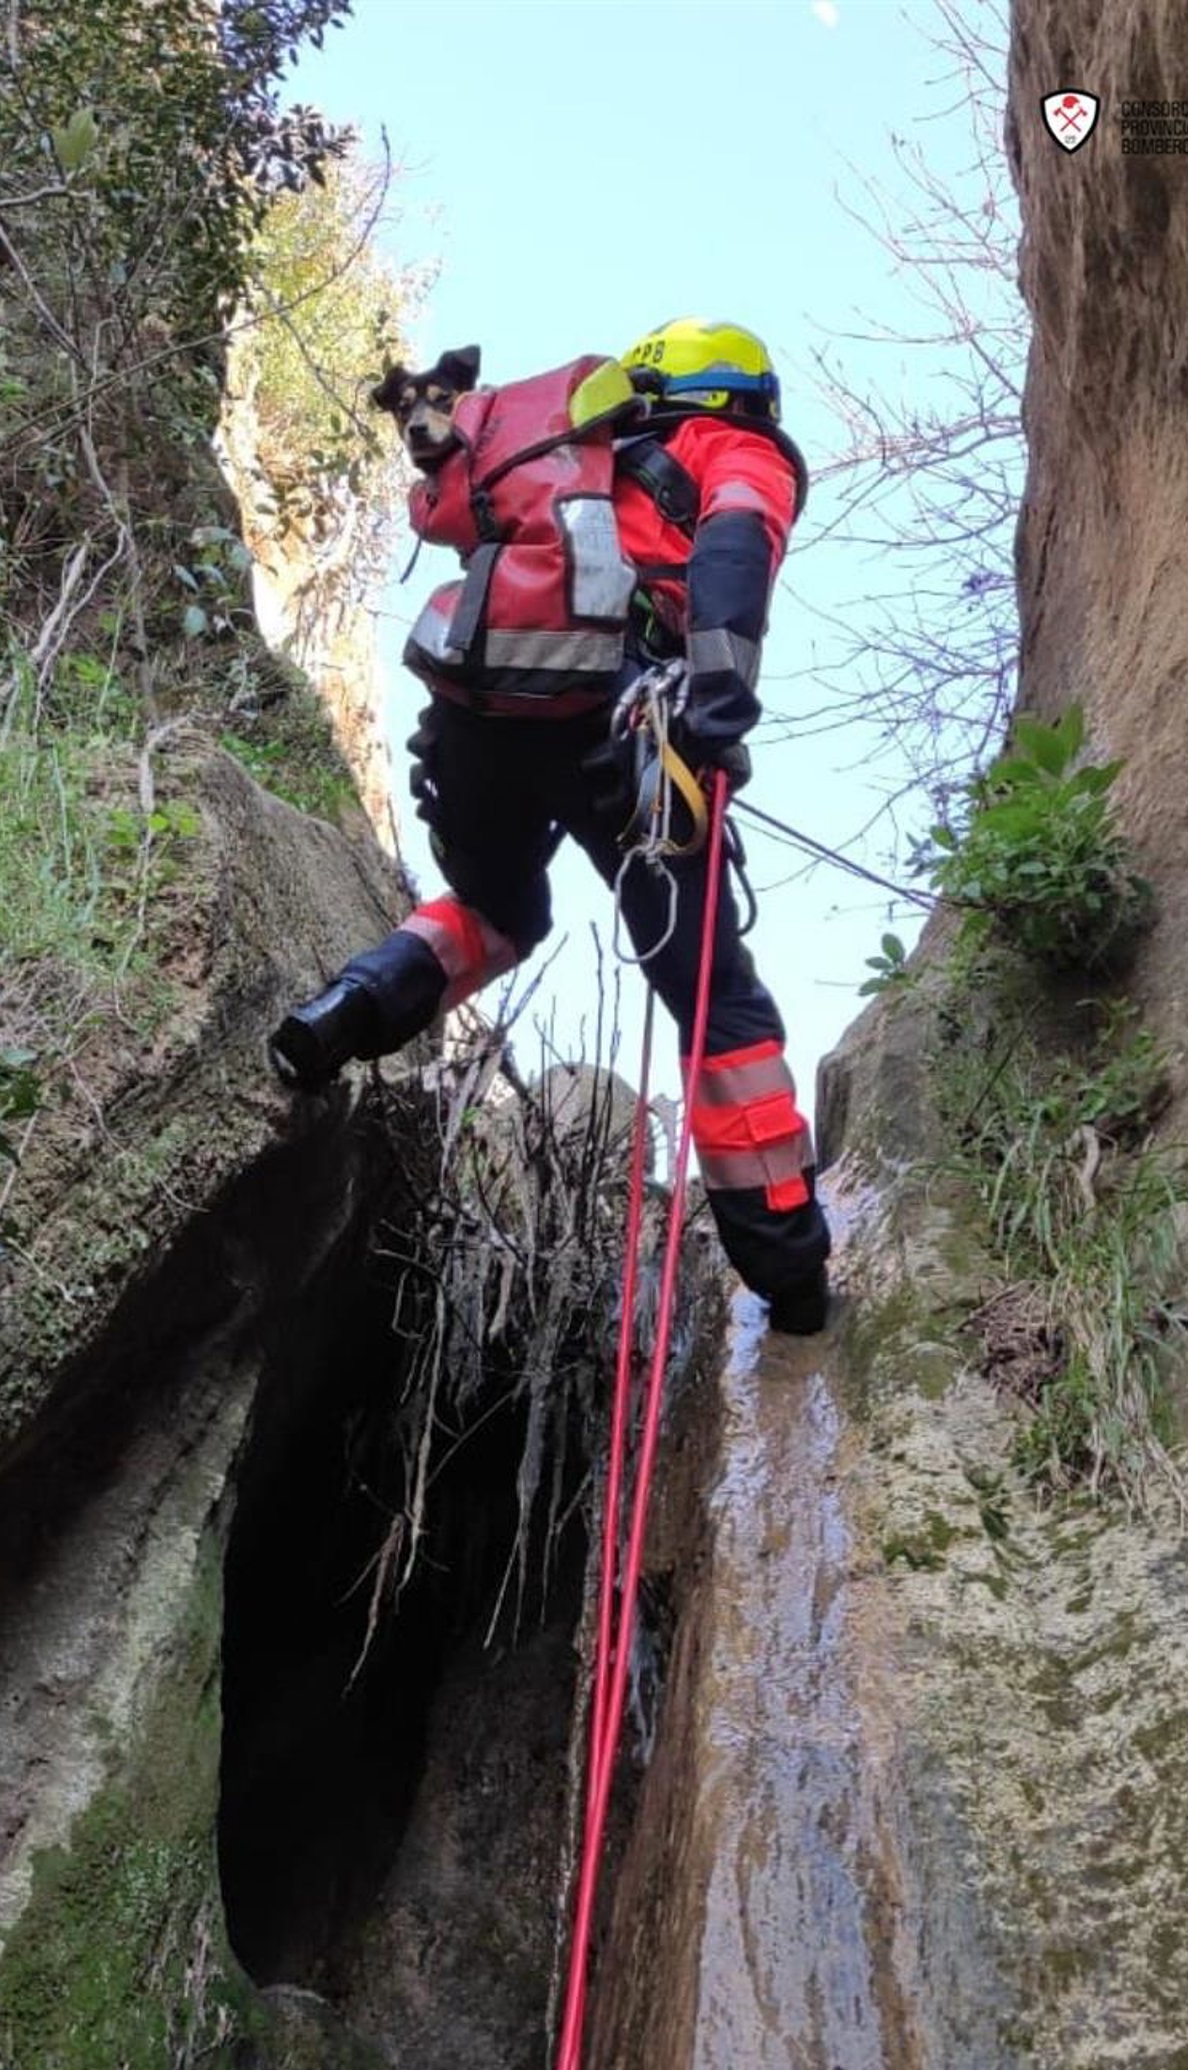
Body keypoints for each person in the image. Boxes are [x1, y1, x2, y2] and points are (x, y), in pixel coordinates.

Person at [269, 317, 832, 1335]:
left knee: (496, 910)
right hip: (628, 730)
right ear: (740, 392)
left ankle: (346, 1010)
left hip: (480, 721)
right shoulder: (733, 446)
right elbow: (736, 546)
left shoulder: (575, 464)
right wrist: (717, 707)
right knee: (715, 998)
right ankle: (789, 1276)